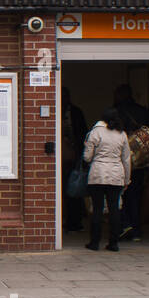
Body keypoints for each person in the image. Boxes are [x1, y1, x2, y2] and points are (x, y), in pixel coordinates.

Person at [82, 106, 131, 251]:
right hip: (116, 175)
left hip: (98, 174)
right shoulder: (122, 134)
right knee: (114, 209)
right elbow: (126, 159)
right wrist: (127, 180)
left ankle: (94, 242)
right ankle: (114, 243)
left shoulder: (95, 132)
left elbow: (87, 156)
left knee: (97, 209)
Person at [113, 84, 149, 241]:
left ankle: (124, 227)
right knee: (136, 195)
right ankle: (136, 229)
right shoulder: (143, 111)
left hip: (123, 160)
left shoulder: (117, 112)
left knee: (119, 196)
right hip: (140, 160)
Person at [61, 88, 89, 232]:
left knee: (74, 188)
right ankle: (67, 219)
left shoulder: (76, 112)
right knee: (64, 189)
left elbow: (82, 133)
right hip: (62, 157)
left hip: (74, 156)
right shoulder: (57, 110)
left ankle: (75, 220)